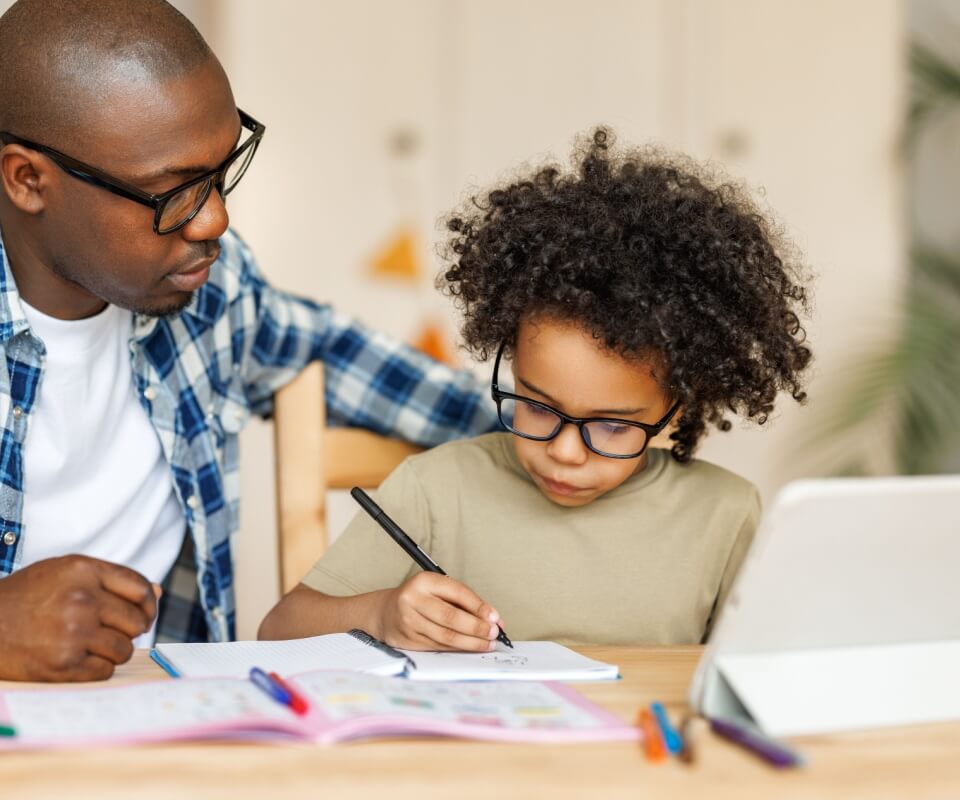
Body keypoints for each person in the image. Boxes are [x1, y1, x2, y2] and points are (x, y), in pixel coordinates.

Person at [0, 0, 496, 682]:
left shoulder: (209, 288)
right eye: (172, 191)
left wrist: (559, 424)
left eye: (219, 173)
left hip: (162, 733)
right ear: (29, 179)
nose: (213, 220)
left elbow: (338, 359)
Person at [259, 129, 813, 651]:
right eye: (538, 406)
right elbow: (279, 631)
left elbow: (758, 673)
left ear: (679, 405)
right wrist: (382, 615)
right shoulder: (434, 489)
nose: (564, 452)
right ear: (512, 361)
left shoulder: (725, 513)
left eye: (613, 425)